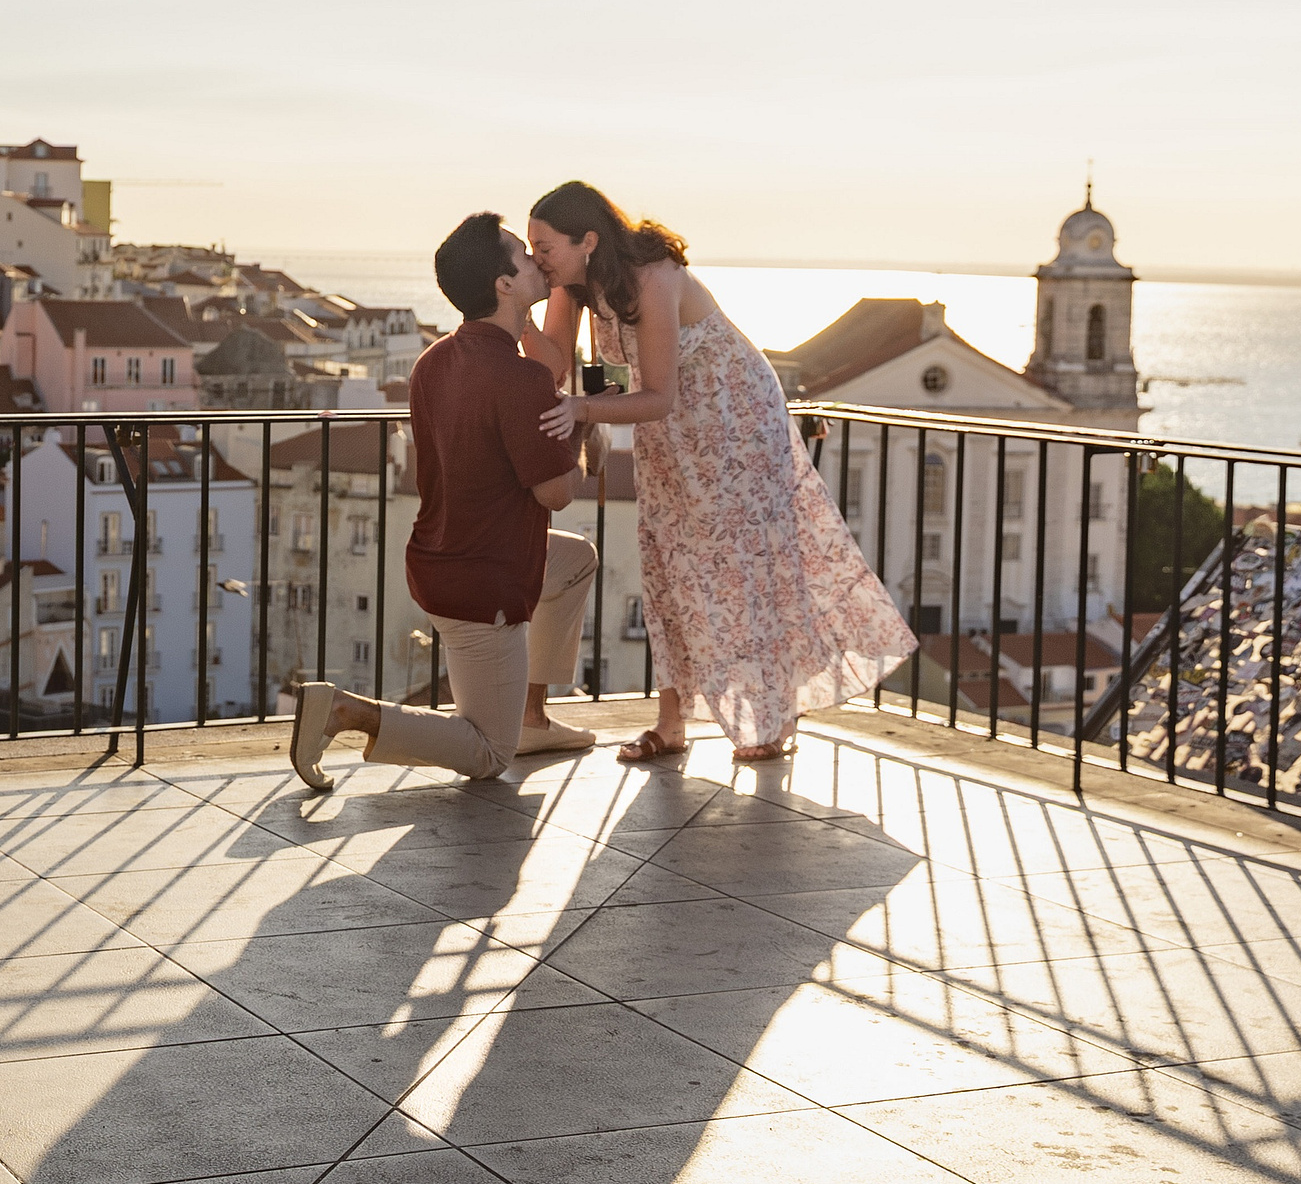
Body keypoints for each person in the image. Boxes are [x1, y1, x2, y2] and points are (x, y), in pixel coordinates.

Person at [522, 179, 915, 765]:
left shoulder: (654, 277)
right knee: (666, 563)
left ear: (588, 241)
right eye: (531, 248)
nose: (537, 258)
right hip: (670, 429)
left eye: (544, 247)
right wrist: (518, 313)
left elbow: (658, 394)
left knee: (743, 567)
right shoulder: (570, 284)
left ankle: (772, 717)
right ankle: (670, 725)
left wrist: (583, 409)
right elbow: (553, 365)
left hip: (734, 422)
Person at [288, 213, 599, 789]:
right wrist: (579, 427)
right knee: (489, 753)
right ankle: (346, 711)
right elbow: (557, 493)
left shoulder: (432, 361)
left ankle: (531, 716)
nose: (536, 259)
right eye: (523, 254)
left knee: (576, 559)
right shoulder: (519, 379)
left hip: (438, 559)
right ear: (504, 284)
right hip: (484, 583)